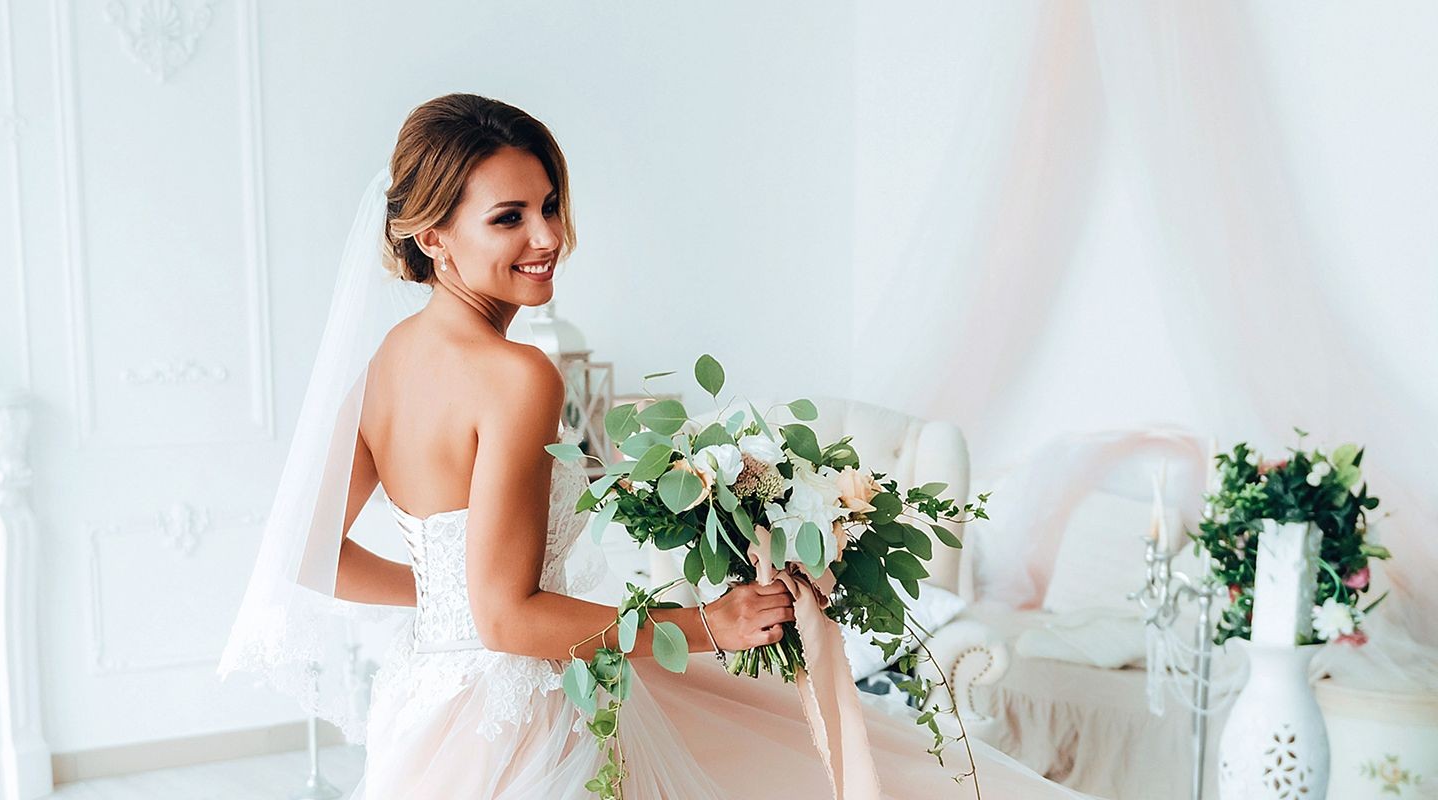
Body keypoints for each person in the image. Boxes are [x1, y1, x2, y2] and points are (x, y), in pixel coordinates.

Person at [220, 93, 1088, 799]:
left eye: (551, 205)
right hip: (527, 723)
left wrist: (449, 599)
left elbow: (307, 551)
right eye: (509, 217)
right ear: (431, 235)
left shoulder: (387, 363)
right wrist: (707, 625)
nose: (549, 237)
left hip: (427, 719)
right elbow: (508, 617)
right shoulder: (519, 375)